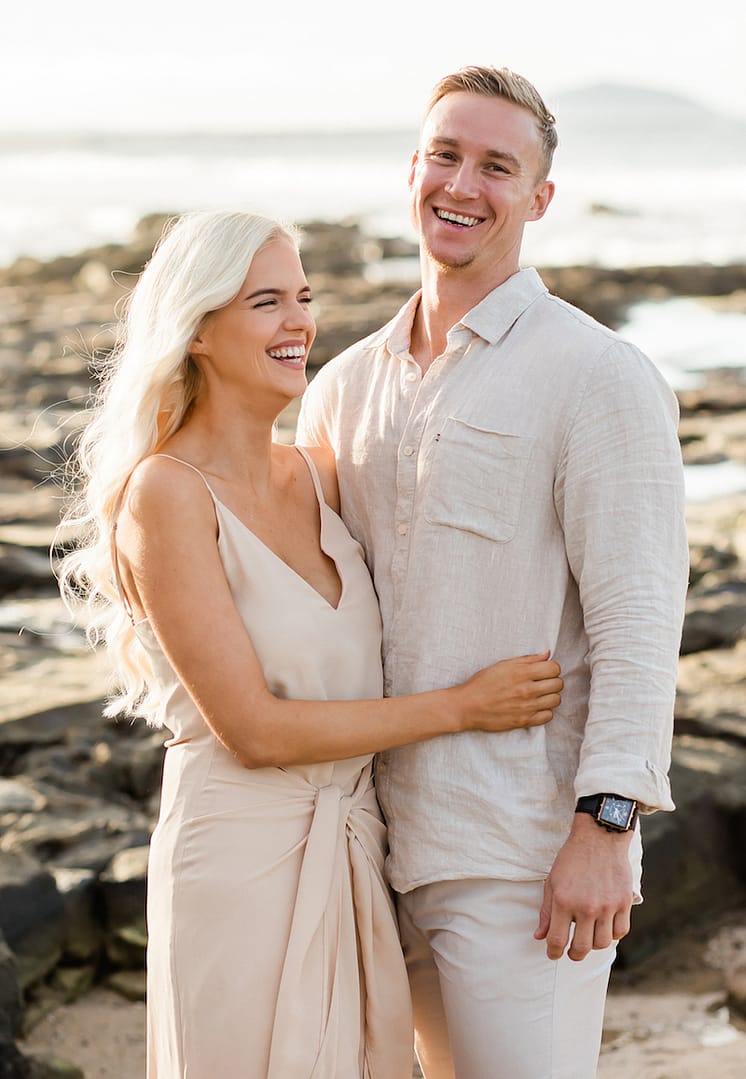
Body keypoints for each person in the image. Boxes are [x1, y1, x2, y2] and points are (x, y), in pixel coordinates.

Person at [56, 209, 564, 1079]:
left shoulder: (319, 472)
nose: (300, 322)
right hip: (240, 857)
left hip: (356, 844)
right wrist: (462, 708)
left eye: (303, 295)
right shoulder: (165, 496)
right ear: (199, 331)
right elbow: (254, 729)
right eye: (265, 302)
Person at [296, 65, 689, 1078]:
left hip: (521, 847)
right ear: (411, 169)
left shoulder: (595, 374)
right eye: (445, 154)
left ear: (538, 197)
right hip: (372, 840)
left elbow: (638, 615)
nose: (462, 184)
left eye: (495, 166)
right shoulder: (342, 387)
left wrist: (606, 824)